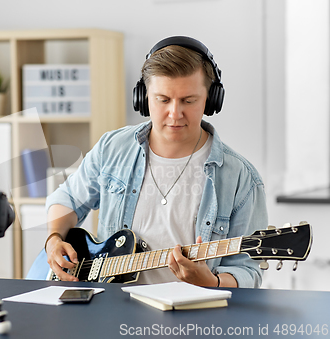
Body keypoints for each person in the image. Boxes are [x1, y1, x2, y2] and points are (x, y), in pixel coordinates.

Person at [43, 36, 267, 288]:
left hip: (193, 318)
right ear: (143, 97)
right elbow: (67, 199)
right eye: (162, 99)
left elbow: (249, 272)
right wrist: (53, 239)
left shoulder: (241, 177)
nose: (175, 113)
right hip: (112, 311)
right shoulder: (112, 148)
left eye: (188, 100)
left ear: (211, 99)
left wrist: (212, 281)